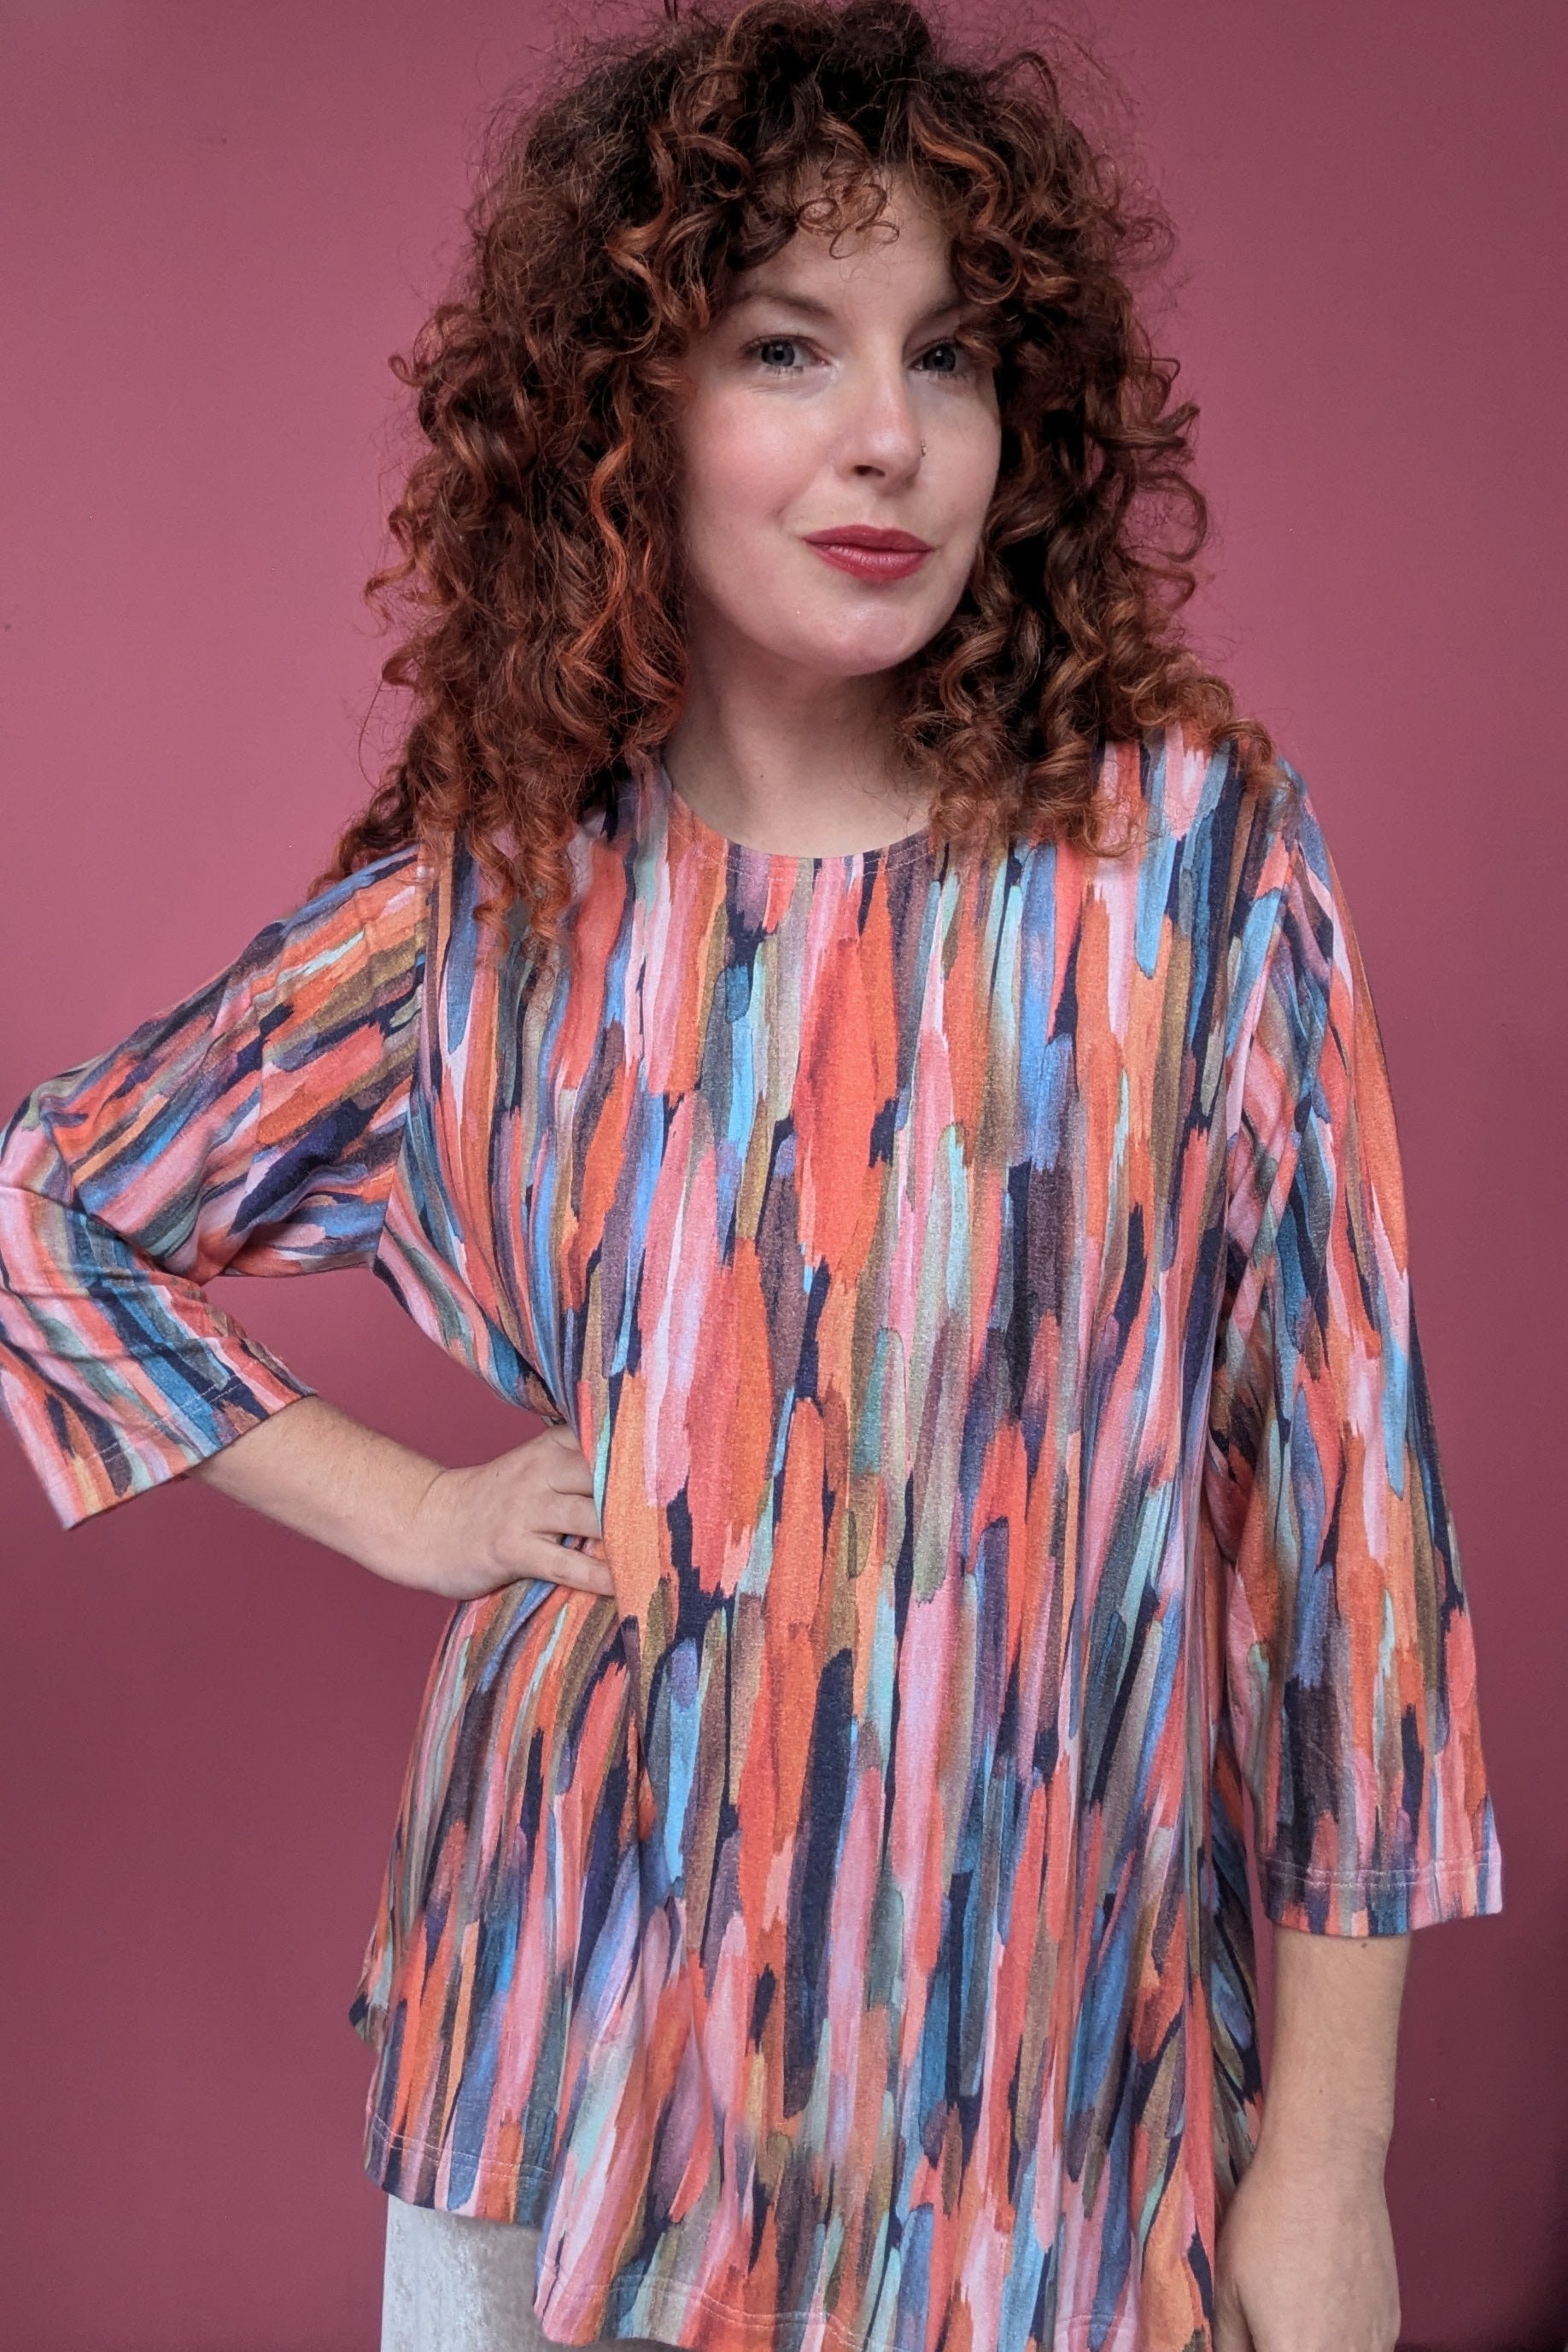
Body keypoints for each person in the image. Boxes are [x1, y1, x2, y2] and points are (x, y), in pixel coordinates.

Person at [0, 3, 1502, 2349]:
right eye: (788, 346)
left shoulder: (1188, 873)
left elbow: (1346, 1531)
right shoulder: (487, 922)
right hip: (569, 2095)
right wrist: (414, 1511)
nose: (889, 435)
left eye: (951, 355)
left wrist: (1325, 2159)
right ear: (627, 412)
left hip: (1051, 2140)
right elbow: (49, 1208)